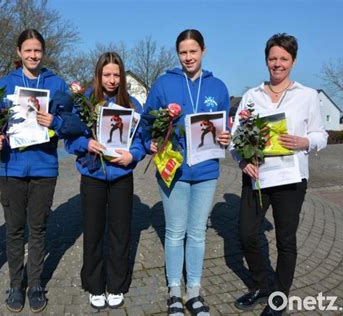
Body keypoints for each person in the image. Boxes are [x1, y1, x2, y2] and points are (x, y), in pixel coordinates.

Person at [231, 33, 328, 316]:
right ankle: (262, 285)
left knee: (286, 240)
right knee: (247, 234)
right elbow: (237, 136)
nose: (277, 64)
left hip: (291, 179)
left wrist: (305, 142)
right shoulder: (251, 96)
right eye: (273, 58)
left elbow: (321, 134)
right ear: (266, 61)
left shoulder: (307, 96)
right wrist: (240, 162)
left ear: (293, 61)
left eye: (283, 58)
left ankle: (279, 298)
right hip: (257, 175)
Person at [143, 30, 231, 316]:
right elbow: (146, 123)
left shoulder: (218, 87)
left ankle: (193, 291)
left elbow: (225, 127)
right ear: (177, 54)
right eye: (183, 52)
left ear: (204, 51)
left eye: (193, 51)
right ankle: (174, 292)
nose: (188, 57)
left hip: (206, 171)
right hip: (174, 171)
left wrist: (226, 138)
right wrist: (150, 143)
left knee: (196, 234)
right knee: (174, 232)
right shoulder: (163, 84)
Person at [0, 29, 68, 314]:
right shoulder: (4, 84)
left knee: (37, 229)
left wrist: (56, 121)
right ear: (19, 52)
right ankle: (14, 284)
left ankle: (34, 283)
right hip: (11, 167)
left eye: (37, 50)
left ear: (43, 52)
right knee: (14, 230)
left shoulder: (56, 83)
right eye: (28, 50)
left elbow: (70, 122)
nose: (33, 55)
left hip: (44, 167)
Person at [64, 52, 145, 310]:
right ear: (98, 75)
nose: (112, 80)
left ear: (122, 76)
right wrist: (85, 143)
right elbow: (69, 139)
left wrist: (132, 155)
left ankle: (117, 284)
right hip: (93, 175)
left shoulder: (132, 105)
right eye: (107, 74)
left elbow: (142, 141)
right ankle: (95, 284)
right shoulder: (84, 101)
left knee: (121, 232)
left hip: (121, 175)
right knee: (94, 230)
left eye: (116, 74)